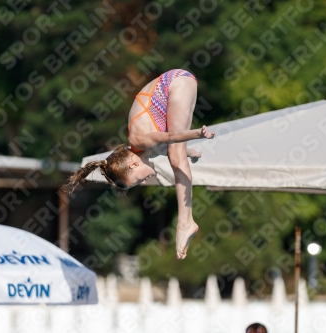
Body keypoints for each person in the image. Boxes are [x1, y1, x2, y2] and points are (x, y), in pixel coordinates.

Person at [66, 69, 215, 260]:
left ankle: (185, 223)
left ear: (133, 166)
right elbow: (166, 143)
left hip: (176, 83)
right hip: (177, 83)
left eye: (137, 181)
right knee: (175, 153)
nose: (143, 183)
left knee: (175, 156)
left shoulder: (139, 141)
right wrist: (190, 151)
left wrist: (197, 134)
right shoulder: (142, 149)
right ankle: (186, 222)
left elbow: (170, 137)